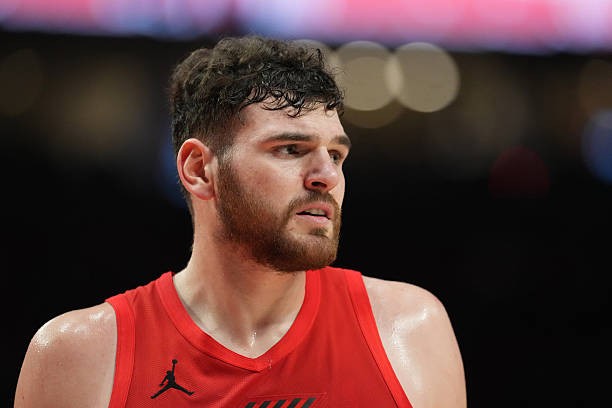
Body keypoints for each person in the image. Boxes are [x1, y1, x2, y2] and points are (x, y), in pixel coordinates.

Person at [15, 35, 466, 408]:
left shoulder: (408, 329)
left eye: (335, 154)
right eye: (290, 150)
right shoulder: (81, 356)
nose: (327, 176)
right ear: (198, 169)